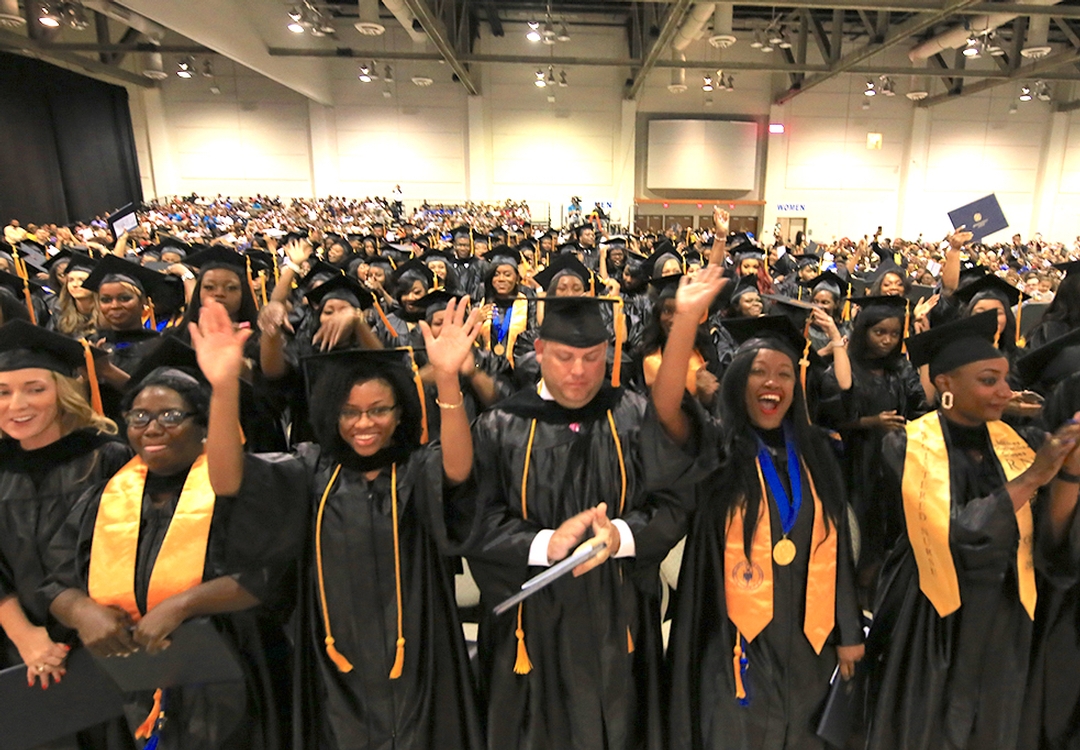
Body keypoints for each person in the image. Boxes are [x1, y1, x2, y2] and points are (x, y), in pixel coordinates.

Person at [197, 296, 486, 750]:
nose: (364, 424)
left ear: (400, 414)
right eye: (349, 412)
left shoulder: (412, 469)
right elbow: (228, 480)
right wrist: (223, 387)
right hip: (335, 661)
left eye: (379, 410)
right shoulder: (312, 469)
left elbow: (457, 469)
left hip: (419, 649)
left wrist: (447, 380)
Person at [44, 335, 305, 749]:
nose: (152, 428)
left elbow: (272, 575)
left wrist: (184, 604)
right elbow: (56, 579)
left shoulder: (237, 486)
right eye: (139, 417)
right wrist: (81, 612)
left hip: (232, 670)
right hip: (133, 675)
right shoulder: (107, 494)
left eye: (170, 415)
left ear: (203, 424)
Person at [467, 295, 703, 750]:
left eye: (592, 357)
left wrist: (625, 535)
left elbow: (674, 500)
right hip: (531, 623)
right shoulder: (501, 426)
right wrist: (543, 545)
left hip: (619, 613)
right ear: (538, 351)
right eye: (565, 357)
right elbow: (474, 520)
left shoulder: (635, 415)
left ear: (609, 355)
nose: (579, 371)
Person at [657, 269, 863, 750]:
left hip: (810, 640)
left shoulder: (818, 454)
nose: (772, 383)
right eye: (758, 371)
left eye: (785, 373)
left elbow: (837, 551)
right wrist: (686, 322)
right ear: (735, 382)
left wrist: (850, 629)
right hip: (734, 642)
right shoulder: (715, 452)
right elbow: (667, 410)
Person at [864, 312, 1080, 750]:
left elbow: (1049, 540)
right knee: (928, 729)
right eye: (988, 380)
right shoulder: (906, 444)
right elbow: (955, 531)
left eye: (1005, 378)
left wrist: (1068, 474)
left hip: (1005, 612)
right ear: (946, 384)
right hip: (933, 614)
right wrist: (1034, 478)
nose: (1006, 390)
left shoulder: (1018, 444)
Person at [0, 322, 131, 746]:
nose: (16, 404)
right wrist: (26, 638)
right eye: (2, 391)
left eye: (34, 388)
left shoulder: (109, 459)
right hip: (13, 648)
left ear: (63, 390)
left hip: (104, 644)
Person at [817, 296, 928, 602]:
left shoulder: (898, 370)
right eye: (879, 332)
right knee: (859, 533)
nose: (887, 340)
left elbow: (921, 405)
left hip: (892, 464)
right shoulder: (844, 367)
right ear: (864, 330)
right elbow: (830, 417)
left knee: (888, 531)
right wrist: (871, 421)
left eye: (893, 334)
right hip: (855, 461)